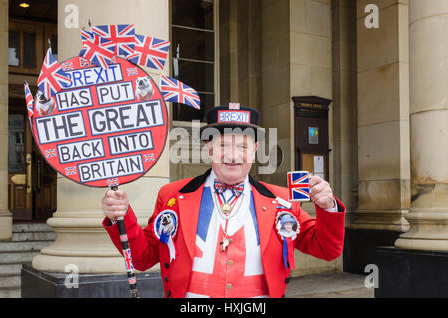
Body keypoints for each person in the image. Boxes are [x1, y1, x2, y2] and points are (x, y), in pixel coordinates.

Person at [102, 104, 345, 298]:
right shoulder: (172, 195)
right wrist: (121, 217)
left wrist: (327, 207)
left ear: (255, 150)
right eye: (223, 145)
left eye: (242, 146)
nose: (232, 155)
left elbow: (327, 249)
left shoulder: (281, 200)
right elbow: (144, 258)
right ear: (209, 149)